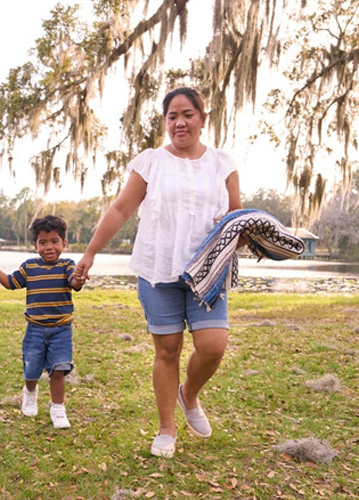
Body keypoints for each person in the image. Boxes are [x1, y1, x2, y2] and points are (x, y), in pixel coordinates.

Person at [74, 87, 243, 457]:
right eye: (172, 116)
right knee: (167, 349)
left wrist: (252, 234)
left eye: (188, 114)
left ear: (202, 118)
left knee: (213, 347)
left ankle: (190, 394)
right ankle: (167, 429)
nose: (180, 122)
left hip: (207, 273)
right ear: (165, 122)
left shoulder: (223, 164)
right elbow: (120, 209)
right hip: (158, 268)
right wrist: (90, 252)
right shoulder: (150, 161)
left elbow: (236, 220)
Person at [0, 215, 85, 428]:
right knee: (31, 370)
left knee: (58, 369)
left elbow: (74, 283)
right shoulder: (29, 267)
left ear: (64, 243)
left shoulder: (68, 265)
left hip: (61, 330)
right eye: (43, 242)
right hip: (35, 330)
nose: (49, 247)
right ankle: (30, 393)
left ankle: (58, 408)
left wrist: (79, 278)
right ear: (35, 245)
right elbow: (10, 283)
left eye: (54, 241)